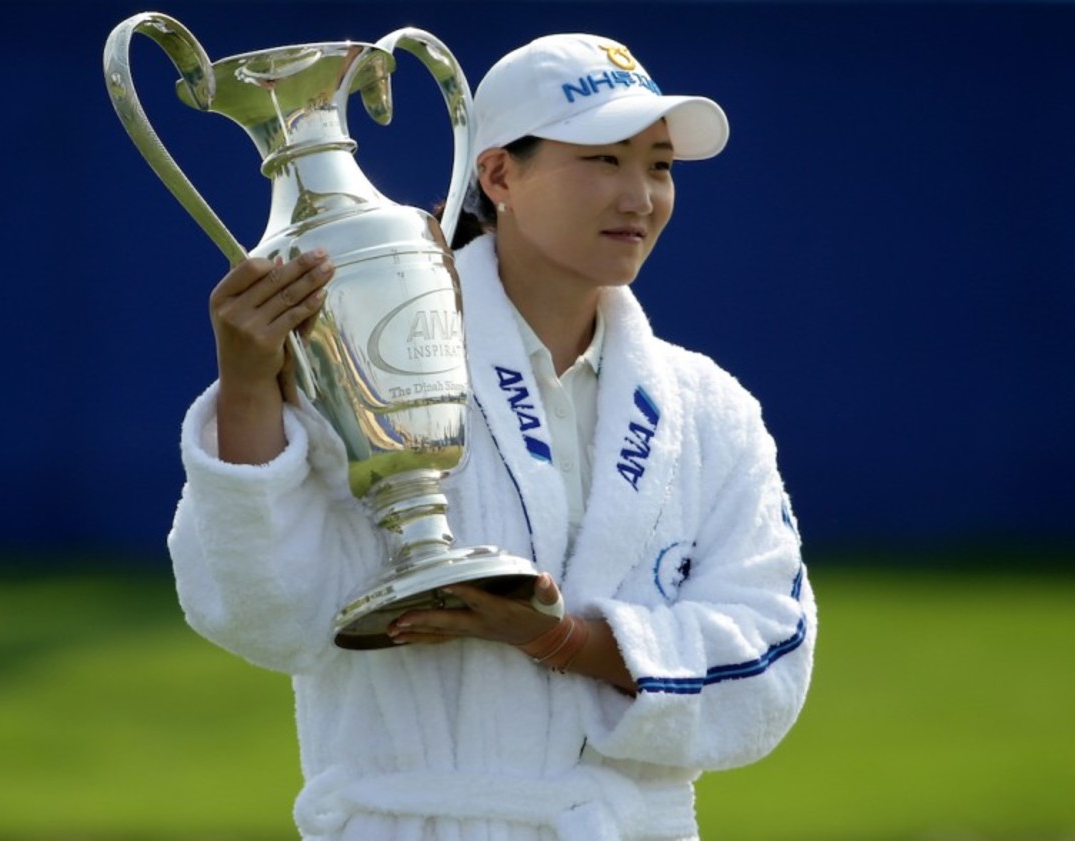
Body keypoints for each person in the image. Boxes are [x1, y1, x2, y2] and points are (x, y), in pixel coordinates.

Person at [168, 32, 817, 841]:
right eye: (604, 160)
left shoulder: (709, 411)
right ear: (499, 173)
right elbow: (261, 613)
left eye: (659, 165)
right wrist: (247, 383)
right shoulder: (360, 350)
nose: (640, 197)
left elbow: (768, 661)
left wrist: (563, 639)